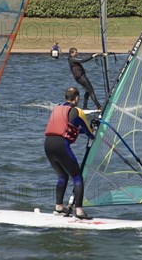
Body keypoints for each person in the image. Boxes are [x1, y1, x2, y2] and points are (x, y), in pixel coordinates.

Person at [44, 87, 95, 219]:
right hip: (61, 145)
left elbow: (71, 128)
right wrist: (94, 132)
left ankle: (58, 207)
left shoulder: (57, 109)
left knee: (63, 176)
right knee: (77, 178)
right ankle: (79, 211)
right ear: (77, 98)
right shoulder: (77, 112)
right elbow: (89, 133)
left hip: (48, 145)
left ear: (66, 97)